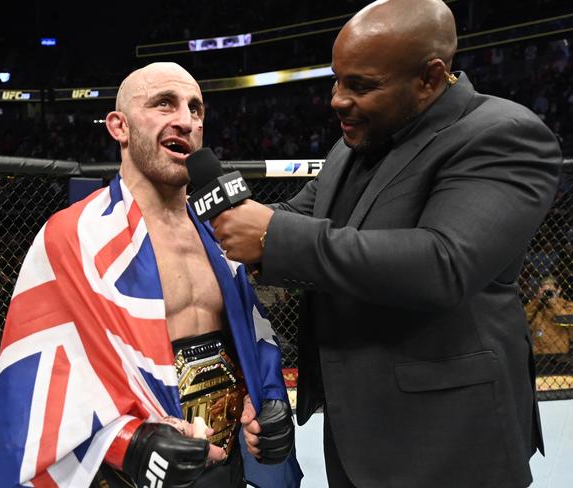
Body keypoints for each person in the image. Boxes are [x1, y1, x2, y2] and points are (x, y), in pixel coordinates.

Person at [210, 1, 563, 487]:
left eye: (360, 84)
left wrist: (271, 236)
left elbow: (444, 263)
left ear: (430, 79)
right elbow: (294, 218)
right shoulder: (356, 141)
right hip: (356, 433)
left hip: (450, 436)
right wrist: (193, 222)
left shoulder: (503, 134)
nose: (336, 99)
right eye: (336, 80)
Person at [0, 63, 301, 488]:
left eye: (196, 109)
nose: (186, 120)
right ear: (119, 126)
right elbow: (37, 382)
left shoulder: (221, 232)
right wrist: (129, 446)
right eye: (164, 103)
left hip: (224, 464)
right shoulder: (73, 235)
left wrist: (272, 400)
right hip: (125, 477)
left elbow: (253, 335)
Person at [527, 276, 573, 374]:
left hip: (559, 355)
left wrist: (554, 303)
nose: (548, 294)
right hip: (538, 354)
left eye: (551, 291)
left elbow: (566, 320)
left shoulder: (567, 305)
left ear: (559, 290)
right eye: (545, 291)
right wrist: (537, 300)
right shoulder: (537, 307)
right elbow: (524, 318)